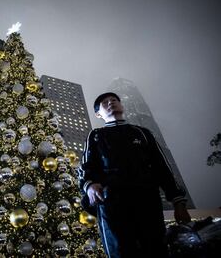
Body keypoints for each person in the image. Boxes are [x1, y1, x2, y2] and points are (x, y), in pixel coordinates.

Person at [77, 92, 191, 258]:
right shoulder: (95, 135)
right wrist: (89, 186)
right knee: (120, 251)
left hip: (148, 202)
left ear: (122, 106)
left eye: (114, 100)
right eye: (105, 102)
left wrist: (178, 202)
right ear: (98, 114)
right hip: (112, 205)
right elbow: (86, 166)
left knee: (156, 249)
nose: (111, 103)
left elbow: (162, 168)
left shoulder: (142, 133)